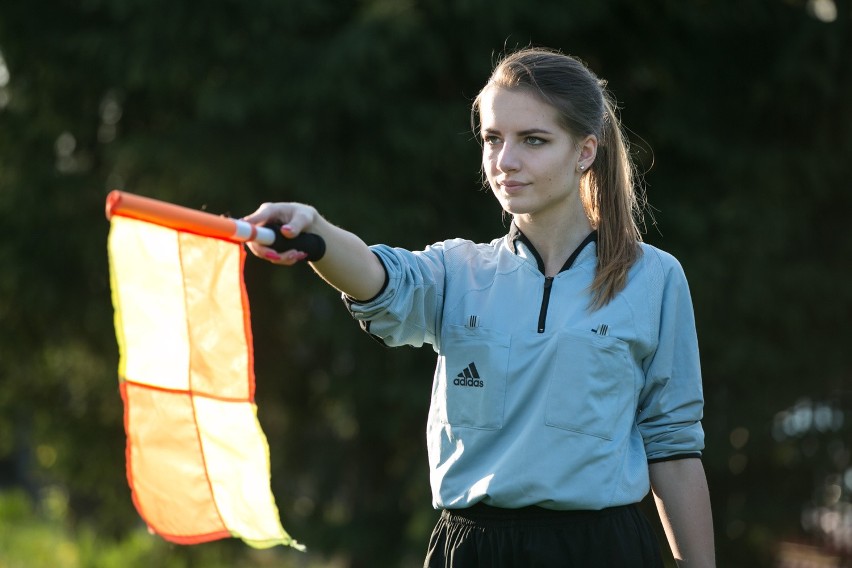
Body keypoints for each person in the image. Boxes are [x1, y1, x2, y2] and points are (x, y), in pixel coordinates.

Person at [245, 47, 715, 567]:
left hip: (604, 549)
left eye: (533, 140)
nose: (504, 161)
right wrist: (318, 235)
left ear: (585, 151)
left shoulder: (653, 277)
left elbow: (672, 449)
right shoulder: (458, 270)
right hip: (472, 549)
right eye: (493, 139)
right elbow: (381, 280)